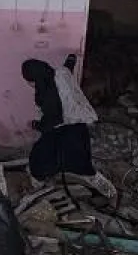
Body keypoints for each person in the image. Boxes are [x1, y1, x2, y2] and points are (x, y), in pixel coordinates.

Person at [22, 55, 108, 195]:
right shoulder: (60, 73)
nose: (30, 85)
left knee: (40, 158)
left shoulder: (48, 95)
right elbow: (68, 68)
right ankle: (104, 188)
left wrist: (34, 124)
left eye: (30, 82)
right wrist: (71, 59)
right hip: (79, 124)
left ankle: (38, 185)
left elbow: (53, 120)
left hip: (65, 125)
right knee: (81, 160)